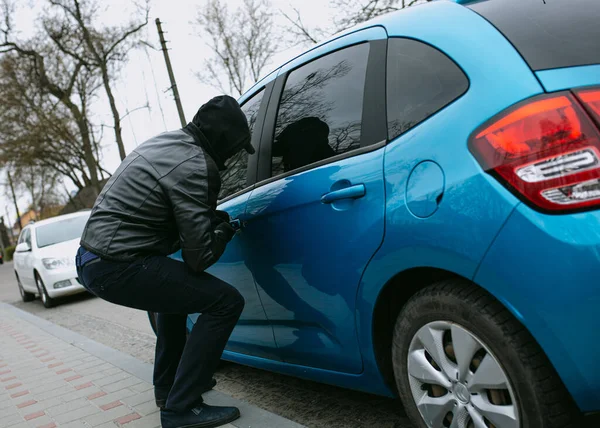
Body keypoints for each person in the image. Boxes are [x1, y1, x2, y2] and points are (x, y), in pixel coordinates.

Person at [76, 95, 252, 428]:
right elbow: (199, 258)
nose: (233, 158)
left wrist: (206, 218)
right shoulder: (197, 165)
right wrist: (224, 230)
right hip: (117, 263)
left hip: (94, 258)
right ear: (224, 142)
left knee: (175, 298)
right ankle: (180, 408)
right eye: (236, 149)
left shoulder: (167, 142)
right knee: (226, 302)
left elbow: (166, 217)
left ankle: (167, 388)